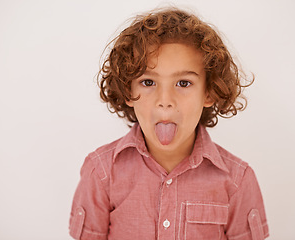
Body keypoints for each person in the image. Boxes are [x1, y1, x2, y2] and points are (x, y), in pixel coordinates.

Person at [69, 7, 269, 240]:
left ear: (209, 92)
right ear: (127, 90)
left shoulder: (237, 180)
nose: (165, 101)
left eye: (183, 83)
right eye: (148, 82)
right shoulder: (101, 173)